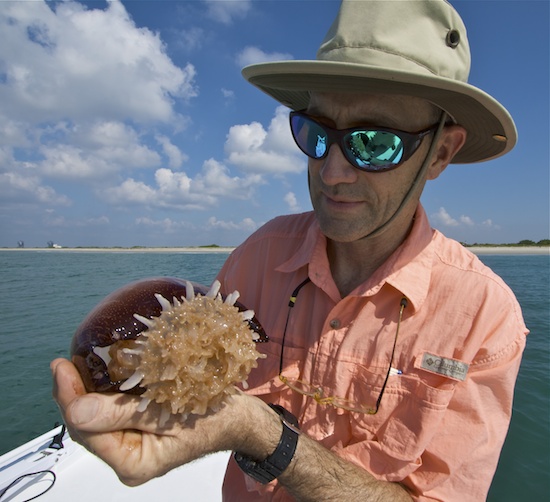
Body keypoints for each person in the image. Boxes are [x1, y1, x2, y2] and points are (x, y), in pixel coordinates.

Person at [51, 1, 528, 500]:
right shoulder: (257, 257)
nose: (333, 171)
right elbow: (194, 378)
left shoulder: (483, 318)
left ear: (441, 152)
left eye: (375, 142)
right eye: (317, 134)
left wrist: (260, 433)